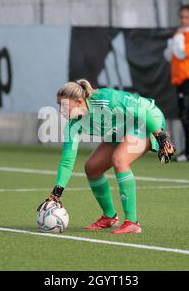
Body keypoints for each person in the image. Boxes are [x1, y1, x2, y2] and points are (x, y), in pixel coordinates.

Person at [38, 79, 175, 234]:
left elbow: (141, 112)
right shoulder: (73, 126)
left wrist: (160, 135)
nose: (60, 110)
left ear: (78, 101)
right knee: (92, 168)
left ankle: (132, 222)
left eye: (63, 105)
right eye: (58, 105)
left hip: (147, 118)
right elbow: (67, 161)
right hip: (123, 126)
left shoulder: (107, 99)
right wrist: (57, 192)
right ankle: (110, 217)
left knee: (120, 159)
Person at [164, 4, 189, 162]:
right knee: (184, 116)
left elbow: (181, 54)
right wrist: (175, 39)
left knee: (187, 116)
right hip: (180, 79)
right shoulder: (181, 33)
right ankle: (188, 151)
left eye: (187, 17)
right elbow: (168, 55)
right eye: (181, 17)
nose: (184, 20)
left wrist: (177, 38)